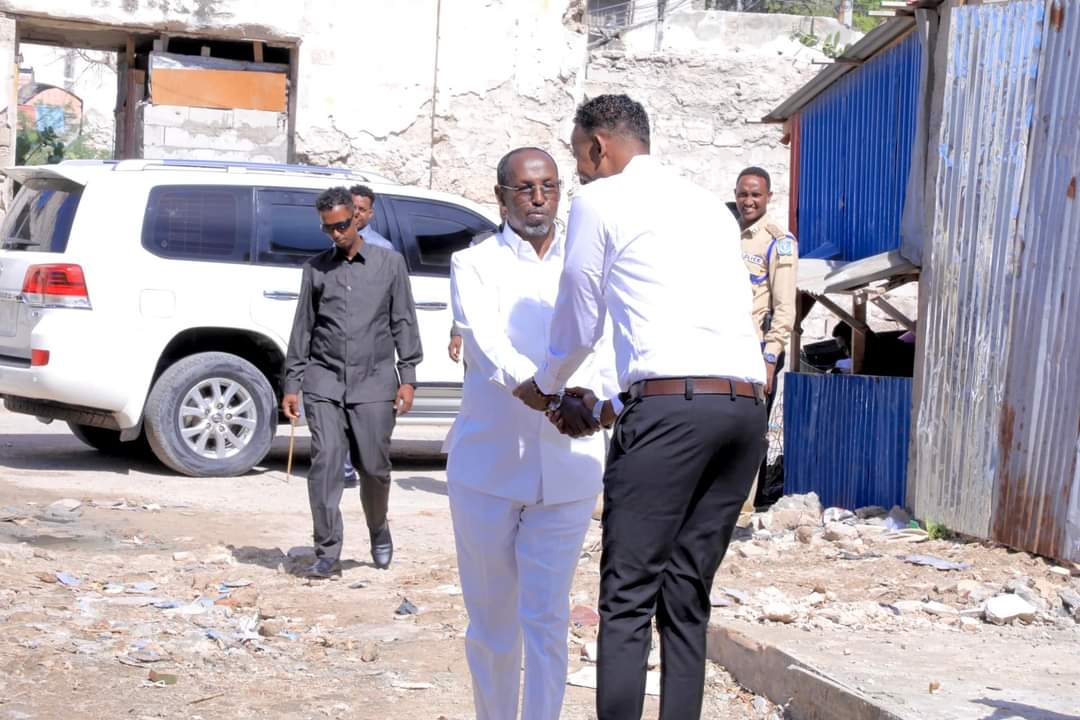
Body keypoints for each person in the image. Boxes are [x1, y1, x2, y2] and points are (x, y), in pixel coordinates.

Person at [512, 94, 767, 719]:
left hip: (671, 414)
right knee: (686, 594)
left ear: (599, 147)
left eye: (579, 157)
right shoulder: (710, 207)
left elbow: (580, 315)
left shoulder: (600, 200)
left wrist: (546, 384)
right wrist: (607, 404)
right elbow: (685, 325)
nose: (579, 172)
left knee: (627, 595)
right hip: (743, 412)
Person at [447, 147, 619, 720]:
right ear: (501, 197)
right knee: (493, 624)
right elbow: (487, 345)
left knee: (547, 619)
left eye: (548, 187)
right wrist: (548, 395)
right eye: (524, 188)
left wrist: (598, 402)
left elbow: (608, 345)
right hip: (489, 471)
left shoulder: (589, 263)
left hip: (569, 471)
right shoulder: (474, 264)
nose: (538, 199)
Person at [282, 186, 422, 578]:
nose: (336, 234)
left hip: (374, 382)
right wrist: (292, 384)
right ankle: (327, 551)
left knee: (374, 468)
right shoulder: (315, 269)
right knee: (325, 464)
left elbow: (404, 321)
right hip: (324, 382)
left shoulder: (389, 264)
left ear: (357, 219)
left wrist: (408, 378)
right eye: (328, 228)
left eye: (342, 225)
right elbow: (303, 328)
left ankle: (378, 528)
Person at [735, 166, 798, 510]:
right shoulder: (727, 233)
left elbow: (785, 309)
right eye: (743, 194)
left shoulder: (778, 241)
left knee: (752, 428)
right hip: (726, 346)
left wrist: (771, 357)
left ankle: (747, 506)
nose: (748, 201)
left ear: (768, 197)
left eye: (755, 195)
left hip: (758, 350)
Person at [349, 184, 394, 250]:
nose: (355, 212)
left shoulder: (383, 246)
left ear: (370, 214)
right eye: (352, 207)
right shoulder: (337, 240)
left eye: (362, 209)